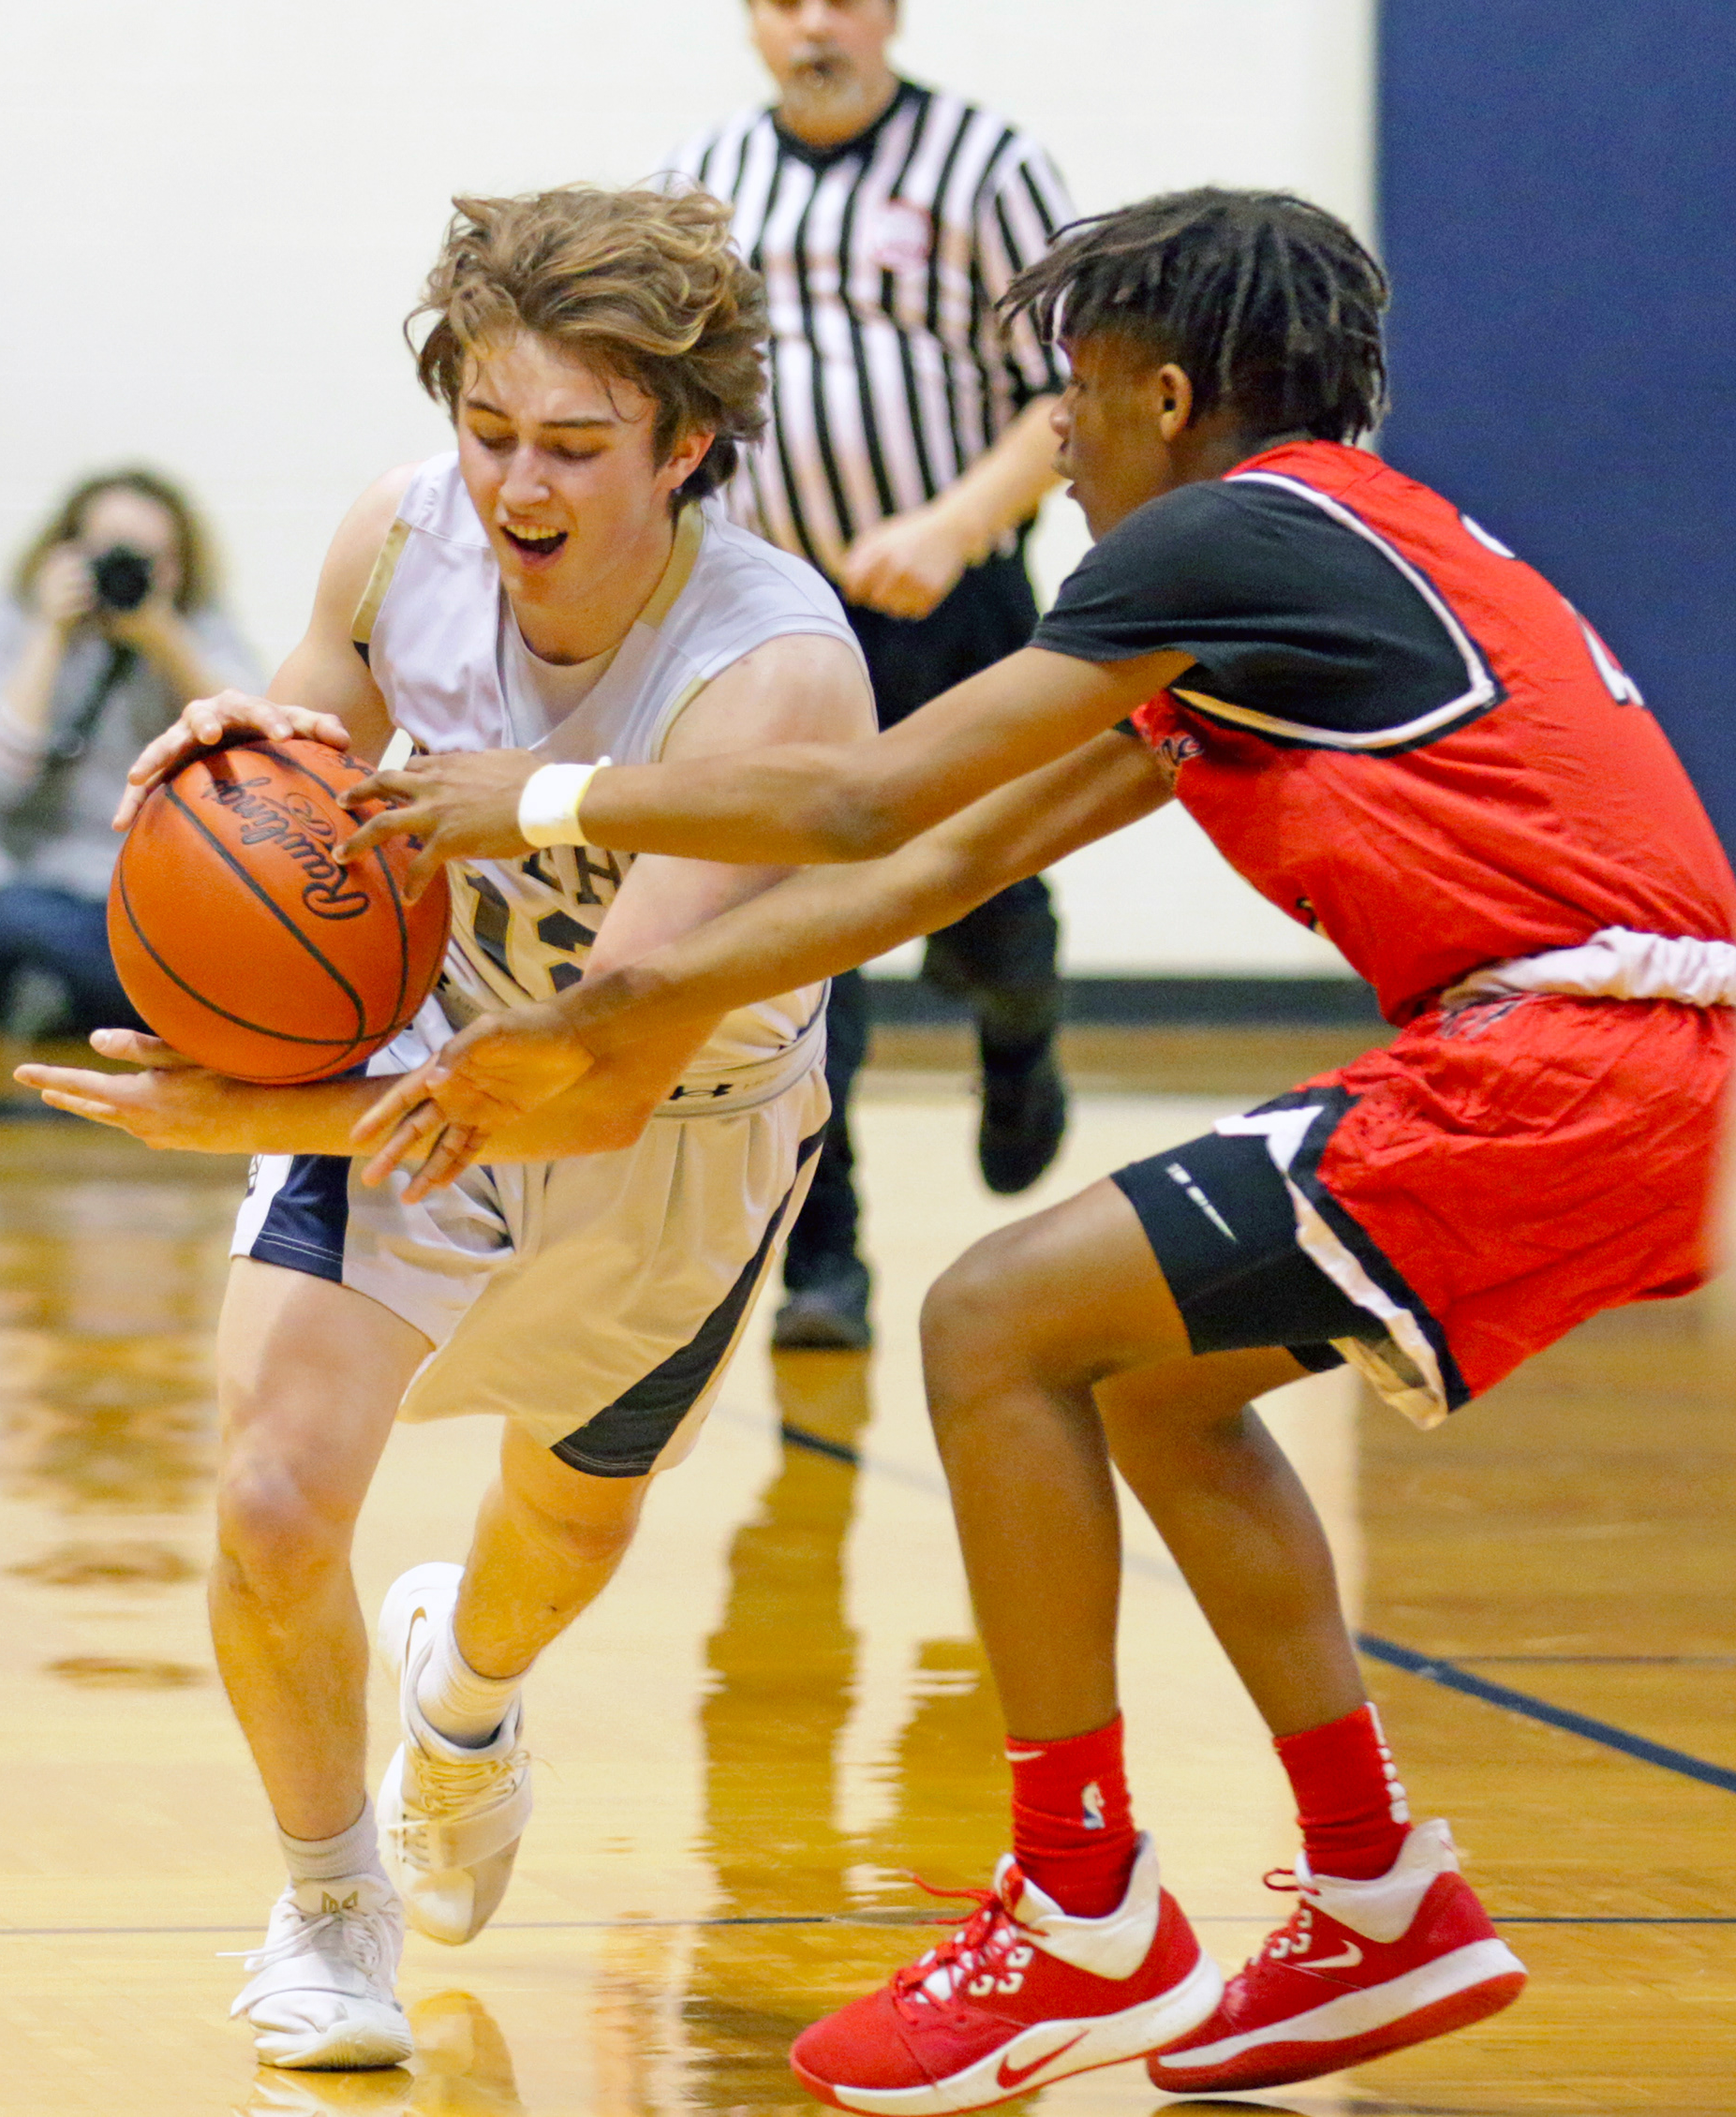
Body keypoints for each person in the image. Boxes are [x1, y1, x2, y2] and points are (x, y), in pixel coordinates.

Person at [334, 188, 1736, 2109]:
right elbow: (944, 862)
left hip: (1567, 1049)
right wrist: (604, 1017)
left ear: (1169, 393)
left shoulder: (1246, 529)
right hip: (1615, 1062)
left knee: (991, 1318)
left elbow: (861, 787)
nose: (1055, 444)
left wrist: (546, 794)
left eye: (1072, 401)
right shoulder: (1293, 575)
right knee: (1151, 1384)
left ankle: (1078, 1909)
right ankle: (1376, 1888)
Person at [20, 185, 873, 2071]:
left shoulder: (770, 668)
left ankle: (467, 1699)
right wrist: (235, 757)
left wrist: (224, 1102)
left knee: (559, 1537)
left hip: (670, 1131)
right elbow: (304, 776)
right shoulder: (397, 536)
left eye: (576, 444)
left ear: (688, 441)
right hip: (414, 1047)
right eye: (492, 433)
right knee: (270, 1492)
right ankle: (330, 1902)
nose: (519, 484)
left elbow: (597, 1062)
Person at [664, 0, 1078, 1348]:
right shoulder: (699, 183)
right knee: (802, 945)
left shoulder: (988, 167)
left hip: (953, 605)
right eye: (786, 0)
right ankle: (823, 1263)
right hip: (780, 628)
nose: (817, 22)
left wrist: (954, 525)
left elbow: (1065, 392)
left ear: (891, 14)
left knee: (989, 893)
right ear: (751, 24)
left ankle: (1018, 1035)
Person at [0, 468, 262, 1036]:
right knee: (11, 925)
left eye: (148, 558)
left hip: (159, 900)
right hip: (43, 892)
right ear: (64, 552)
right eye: (110, 554)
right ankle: (148, 1007)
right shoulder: (15, 625)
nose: (124, 572)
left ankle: (94, 1003)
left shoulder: (198, 631)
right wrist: (49, 634)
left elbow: (255, 768)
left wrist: (163, 637)